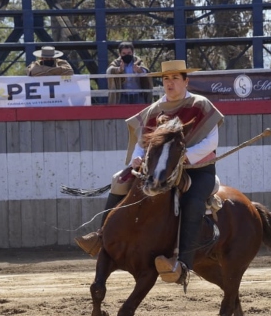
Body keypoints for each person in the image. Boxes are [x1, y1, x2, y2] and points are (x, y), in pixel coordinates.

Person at [76, 60, 224, 288]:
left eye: (175, 78)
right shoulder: (155, 110)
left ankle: (183, 263)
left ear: (186, 81)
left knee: (193, 203)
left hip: (197, 170)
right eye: (166, 79)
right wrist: (138, 157)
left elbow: (211, 141)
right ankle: (101, 237)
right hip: (160, 168)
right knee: (119, 180)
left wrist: (184, 157)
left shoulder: (201, 105)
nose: (170, 83)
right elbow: (142, 142)